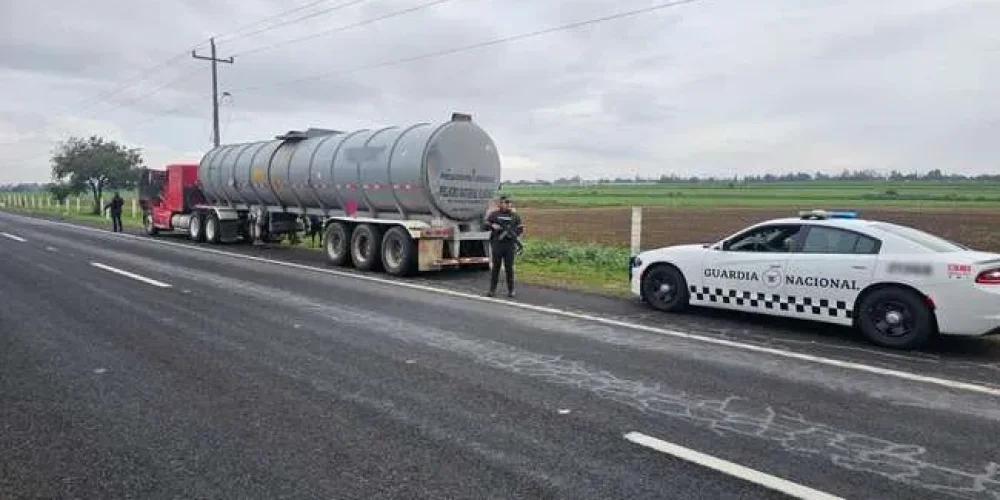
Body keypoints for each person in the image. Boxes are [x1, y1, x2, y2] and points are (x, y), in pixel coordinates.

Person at [486, 194, 523, 297]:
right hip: (497, 244)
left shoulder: (515, 216)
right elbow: (485, 224)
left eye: (508, 202)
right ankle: (492, 290)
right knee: (496, 268)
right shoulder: (494, 215)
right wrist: (492, 226)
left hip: (509, 245)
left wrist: (512, 233)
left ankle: (511, 290)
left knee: (509, 269)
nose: (507, 204)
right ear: (500, 204)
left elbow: (520, 229)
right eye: (505, 202)